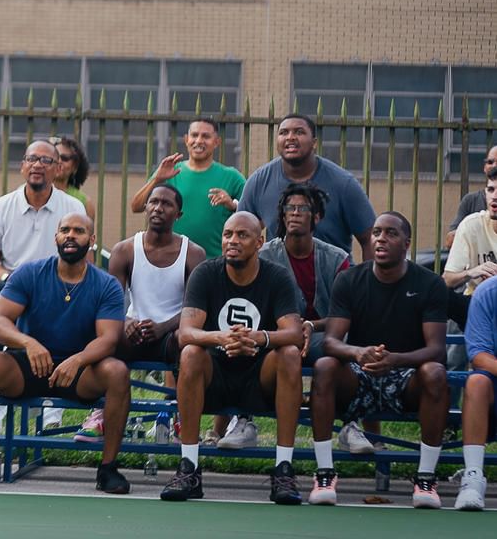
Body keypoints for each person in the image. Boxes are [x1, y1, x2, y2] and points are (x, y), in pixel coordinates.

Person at [0, 213, 132, 494]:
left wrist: (79, 359)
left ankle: (108, 469)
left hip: (78, 372)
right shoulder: (30, 273)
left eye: (79, 231)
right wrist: (28, 343)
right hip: (31, 364)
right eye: (64, 230)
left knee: (117, 372)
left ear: (91, 240)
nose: (71, 235)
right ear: (56, 237)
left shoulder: (106, 285)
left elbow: (108, 339)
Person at [160, 211, 305, 506]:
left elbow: (294, 334)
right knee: (190, 353)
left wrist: (258, 338)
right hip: (215, 377)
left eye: (242, 235)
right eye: (228, 235)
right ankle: (189, 468)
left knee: (289, 355)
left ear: (259, 242)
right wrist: (222, 338)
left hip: (259, 376)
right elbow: (186, 333)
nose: (232, 241)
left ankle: (283, 470)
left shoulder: (276, 277)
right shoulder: (206, 273)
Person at [308, 212, 449, 508]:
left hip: (406, 376)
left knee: (435, 372)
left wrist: (396, 360)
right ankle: (324, 473)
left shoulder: (430, 283)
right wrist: (357, 352)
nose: (381, 238)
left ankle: (425, 478)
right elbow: (332, 341)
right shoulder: (349, 280)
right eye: (376, 232)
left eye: (391, 233)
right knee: (324, 366)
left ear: (406, 244)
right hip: (360, 373)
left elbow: (436, 349)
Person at [99, 183, 204, 441]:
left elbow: (195, 310)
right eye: (153, 202)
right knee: (104, 338)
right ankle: (100, 412)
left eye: (166, 204)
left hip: (171, 335)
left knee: (188, 343)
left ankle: (180, 419)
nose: (158, 207)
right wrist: (125, 322)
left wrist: (163, 327)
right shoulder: (124, 250)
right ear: (145, 208)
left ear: (178, 214)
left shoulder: (193, 253)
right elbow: (112, 302)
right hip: (133, 332)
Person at [254, 184, 356, 452]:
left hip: (321, 334)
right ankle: (243, 420)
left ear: (317, 217)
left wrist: (312, 325)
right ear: (282, 215)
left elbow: (346, 312)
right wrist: (288, 330)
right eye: (290, 208)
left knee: (338, 352)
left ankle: (350, 423)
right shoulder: (264, 255)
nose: (295, 213)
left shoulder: (337, 259)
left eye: (302, 208)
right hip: (278, 336)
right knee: (255, 348)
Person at [0, 141, 83, 360]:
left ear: (57, 169)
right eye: (32, 159)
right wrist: (9, 278)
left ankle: (65, 365)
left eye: (46, 160)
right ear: (22, 166)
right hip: (14, 285)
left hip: (58, 285)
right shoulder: (2, 206)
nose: (38, 165)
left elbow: (85, 261)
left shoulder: (73, 207)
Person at [239, 114, 375, 256]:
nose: (290, 137)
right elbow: (240, 230)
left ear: (314, 143)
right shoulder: (259, 182)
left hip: (333, 276)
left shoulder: (344, 183)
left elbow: (369, 238)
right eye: (284, 132)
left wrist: (368, 278)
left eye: (299, 132)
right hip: (279, 276)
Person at [128, 118, 244, 259]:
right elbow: (136, 206)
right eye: (194, 135)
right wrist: (156, 179)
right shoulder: (171, 172)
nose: (199, 141)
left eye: (206, 136)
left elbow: (256, 219)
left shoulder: (231, 176)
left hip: (214, 263)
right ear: (186, 139)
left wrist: (233, 206)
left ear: (217, 142)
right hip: (170, 262)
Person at [454, 274, 497, 510]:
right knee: (476, 382)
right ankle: (473, 478)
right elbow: (479, 355)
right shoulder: (488, 292)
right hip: (495, 384)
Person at [445, 169, 497, 297]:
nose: (495, 196)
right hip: (476, 302)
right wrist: (471, 272)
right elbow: (447, 279)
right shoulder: (472, 224)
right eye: (490, 190)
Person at [446, 147, 497, 250]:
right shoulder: (470, 201)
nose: (494, 166)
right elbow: (450, 241)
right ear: (484, 167)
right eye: (490, 162)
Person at [49, 134, 94, 227]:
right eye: (55, 157)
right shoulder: (29, 191)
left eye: (65, 158)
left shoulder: (84, 202)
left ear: (75, 167)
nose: (59, 161)